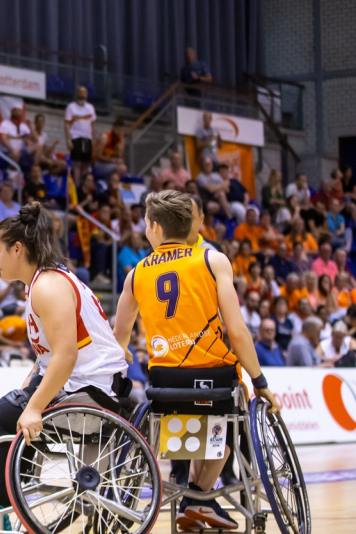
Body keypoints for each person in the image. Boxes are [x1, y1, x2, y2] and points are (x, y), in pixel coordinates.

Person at [114, 190, 278, 531]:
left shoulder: (136, 274)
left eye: (146, 223)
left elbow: (120, 341)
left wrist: (125, 362)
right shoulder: (212, 260)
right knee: (226, 431)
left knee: (200, 425)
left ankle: (198, 500)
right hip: (215, 379)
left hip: (164, 383)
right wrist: (260, 382)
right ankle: (199, 497)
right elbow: (237, 330)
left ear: (155, 227)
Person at [0, 202, 129, 528]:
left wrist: (33, 407)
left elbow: (66, 355)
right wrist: (28, 392)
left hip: (90, 390)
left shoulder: (47, 286)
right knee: (11, 410)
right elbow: (49, 355)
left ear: (18, 249)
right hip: (83, 382)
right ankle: (11, 501)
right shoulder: (48, 280)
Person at [64, 86, 97, 183]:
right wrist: (68, 140)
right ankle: (77, 185)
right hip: (76, 138)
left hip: (88, 139)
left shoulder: (90, 108)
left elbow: (93, 125)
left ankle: (84, 184)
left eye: (84, 93)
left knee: (86, 163)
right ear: (77, 94)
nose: (82, 94)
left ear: (87, 95)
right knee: (77, 163)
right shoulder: (71, 107)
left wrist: (93, 140)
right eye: (80, 92)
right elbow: (66, 124)